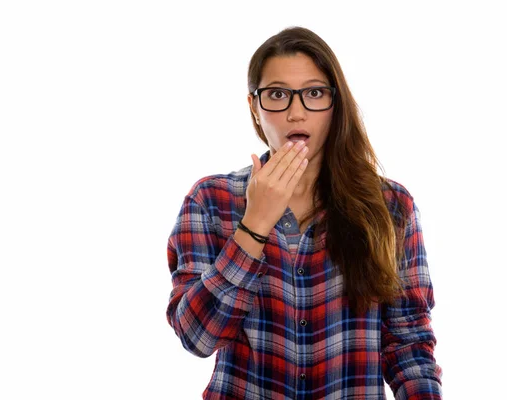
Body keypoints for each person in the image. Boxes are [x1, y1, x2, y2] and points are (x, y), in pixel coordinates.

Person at [165, 26, 442, 399]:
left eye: (314, 93)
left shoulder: (391, 206)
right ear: (255, 107)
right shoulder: (210, 200)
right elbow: (196, 337)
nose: (296, 113)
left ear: (335, 102)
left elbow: (409, 344)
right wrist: (255, 224)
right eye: (277, 95)